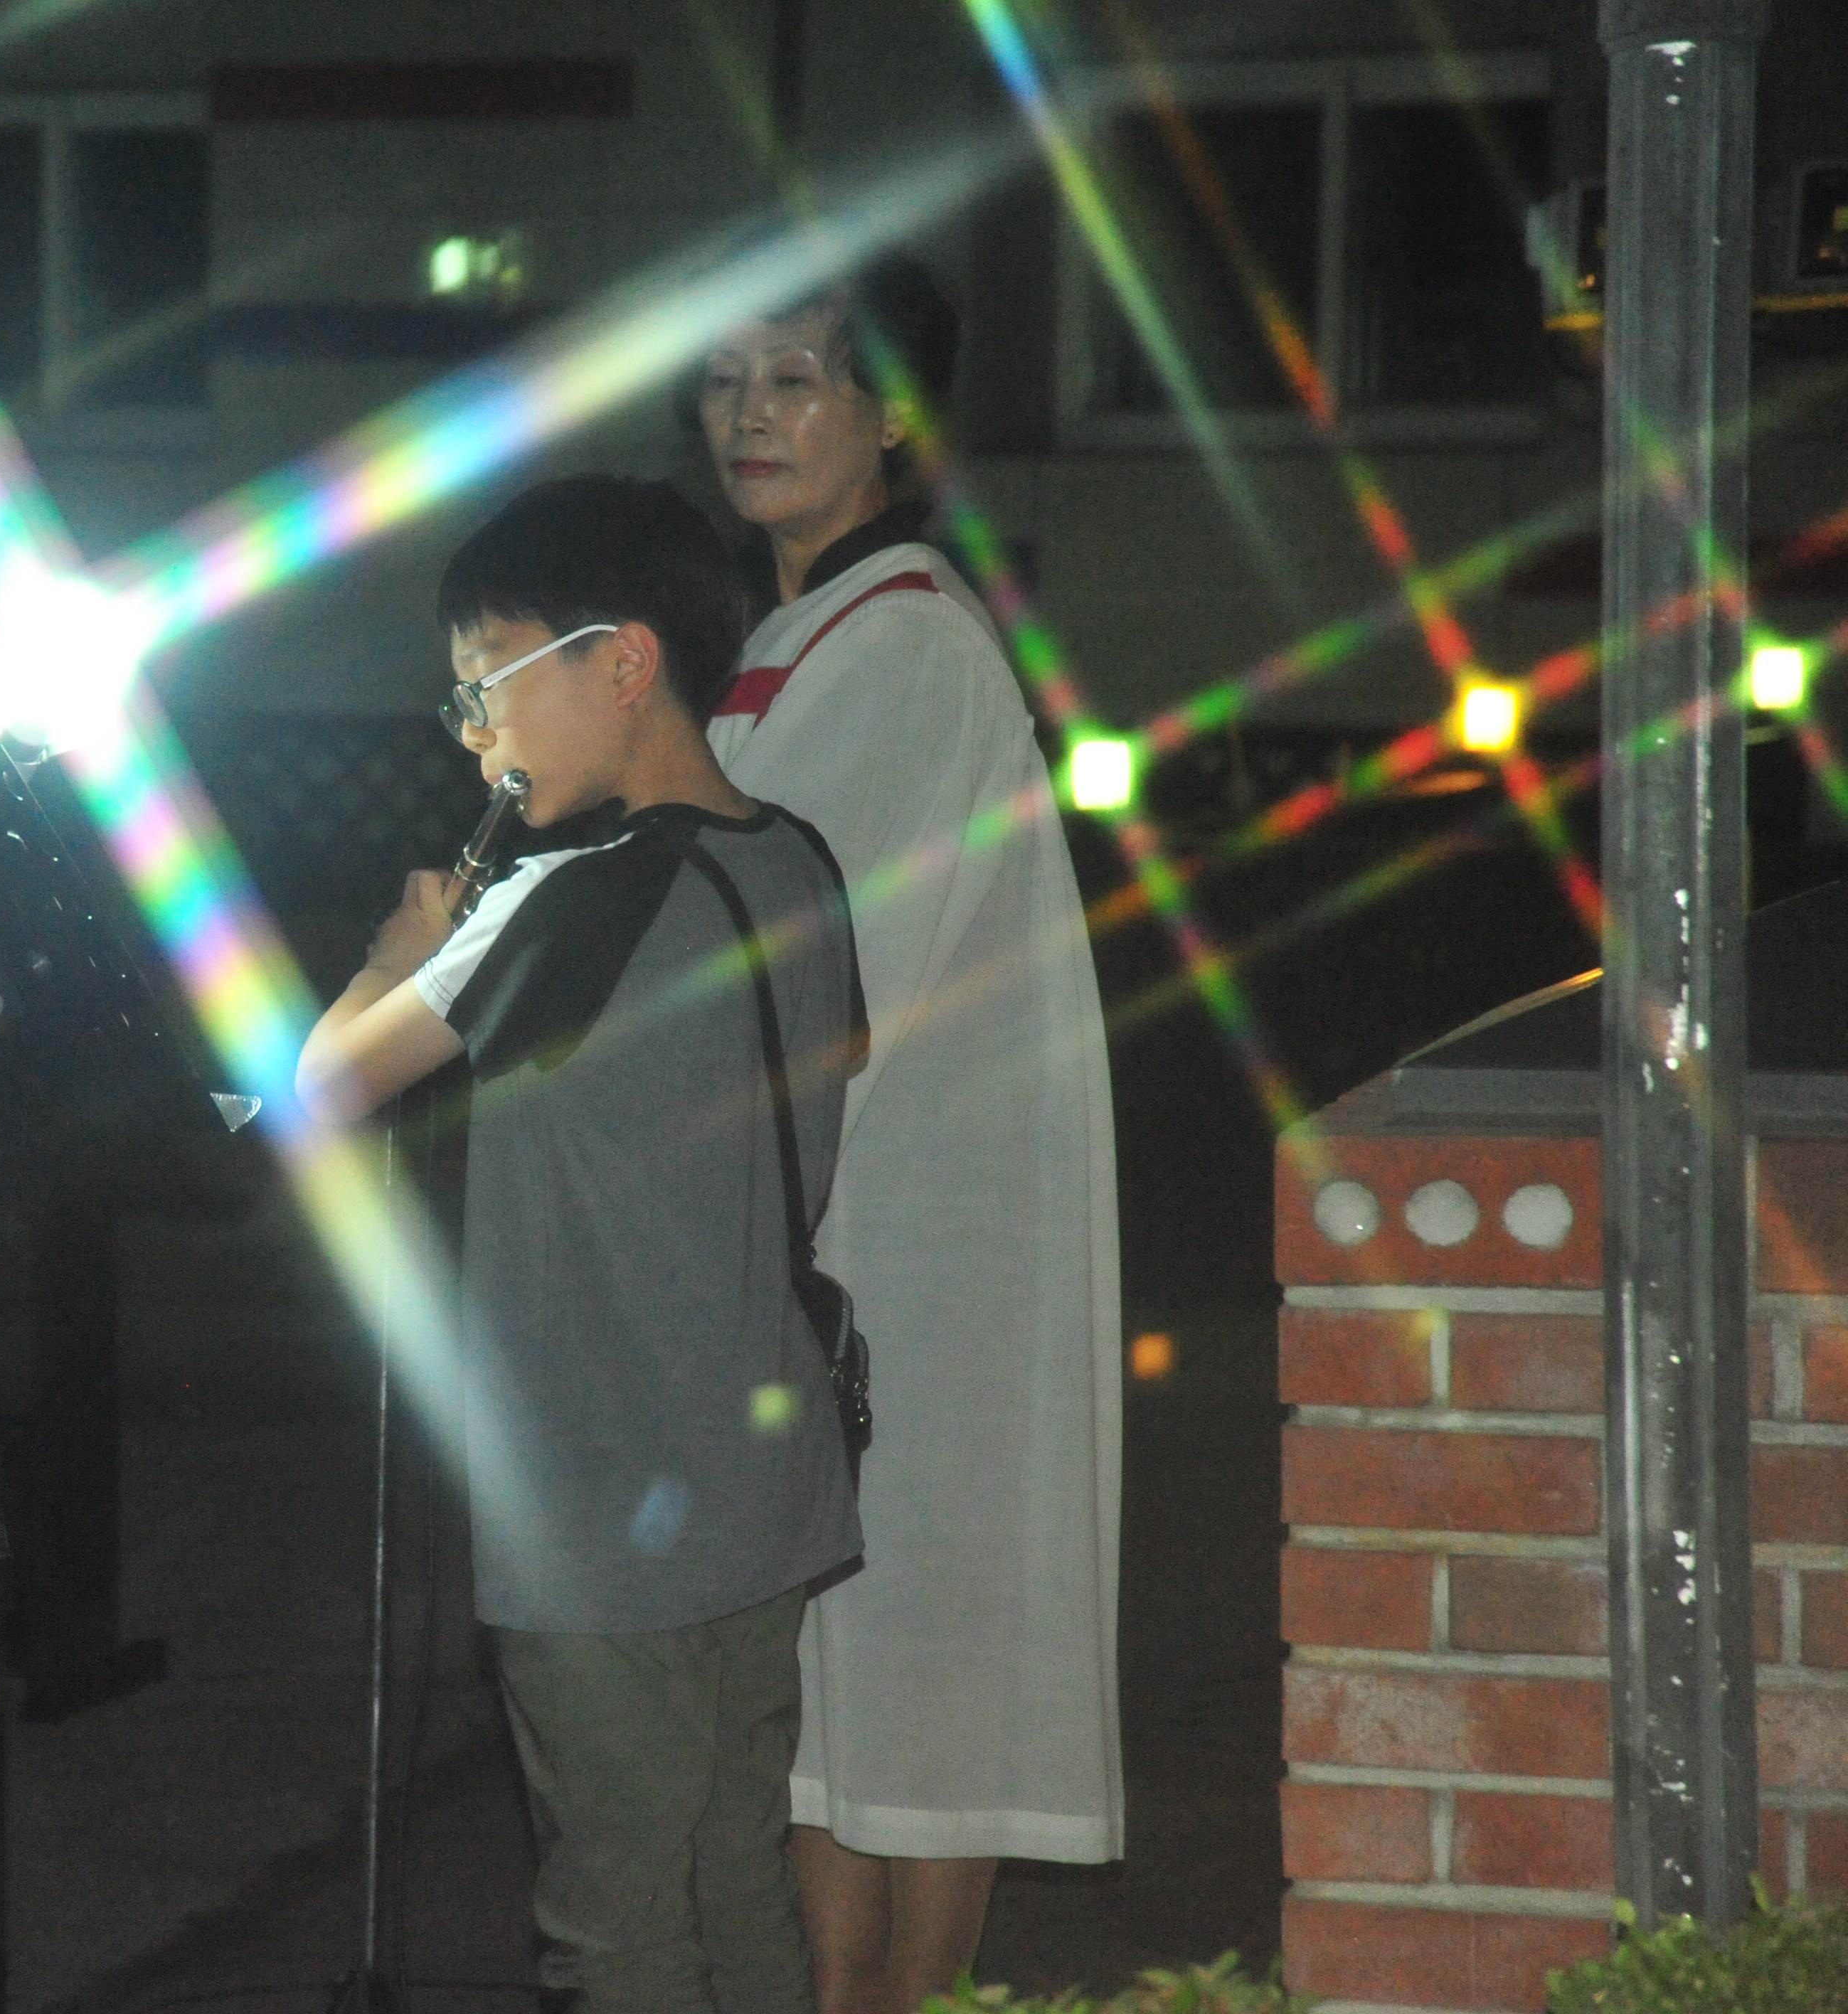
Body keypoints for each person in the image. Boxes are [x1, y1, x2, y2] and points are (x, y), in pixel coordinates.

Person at [298, 475, 866, 2014]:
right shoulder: (796, 860)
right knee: (734, 1871)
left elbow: (322, 1090)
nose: (473, 736)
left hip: (606, 1495)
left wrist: (394, 959)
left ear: (622, 662)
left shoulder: (577, 899)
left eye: (487, 685)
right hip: (764, 1471)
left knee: (614, 1924)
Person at [688, 253, 1124, 2012]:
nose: (748, 416)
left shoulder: (905, 643)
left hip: (924, 1246)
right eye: (724, 380)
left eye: (793, 380)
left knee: (926, 1653)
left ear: (893, 420)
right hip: (837, 1228)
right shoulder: (792, 638)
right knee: (831, 1680)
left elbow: (797, 964)